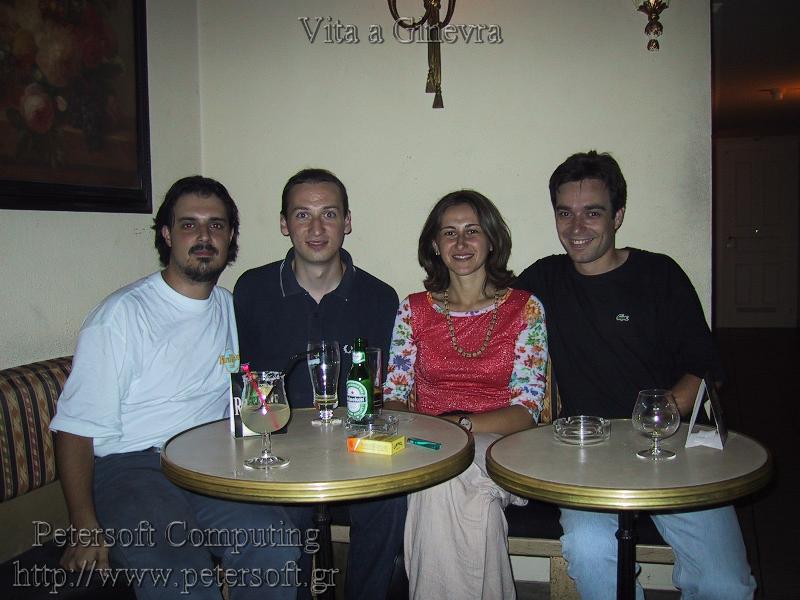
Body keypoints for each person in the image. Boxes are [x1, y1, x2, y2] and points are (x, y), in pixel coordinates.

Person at [515, 151, 756, 600]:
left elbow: (704, 369)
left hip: (670, 447)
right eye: (565, 213)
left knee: (726, 584)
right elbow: (486, 310)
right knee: (589, 551)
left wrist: (653, 421)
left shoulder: (659, 274)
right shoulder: (544, 279)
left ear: (618, 216)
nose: (576, 226)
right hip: (584, 452)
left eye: (593, 212)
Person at [50, 176, 300, 600]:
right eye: (189, 225)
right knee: (179, 572)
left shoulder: (228, 306)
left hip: (208, 463)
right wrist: (84, 524)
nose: (204, 236)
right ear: (166, 234)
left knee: (275, 544)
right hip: (131, 467)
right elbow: (73, 429)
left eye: (216, 225)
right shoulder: (122, 316)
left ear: (230, 236)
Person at [233, 168, 406, 600]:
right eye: (302, 215)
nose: (316, 228)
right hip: (280, 452)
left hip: (356, 451)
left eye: (328, 214)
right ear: (283, 223)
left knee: (390, 502)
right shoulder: (251, 290)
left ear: (347, 221)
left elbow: (386, 391)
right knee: (282, 520)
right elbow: (241, 380)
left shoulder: (380, 298)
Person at [383, 190, 548, 600]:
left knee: (437, 482)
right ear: (434, 245)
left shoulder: (525, 308)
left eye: (472, 231)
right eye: (449, 232)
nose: (461, 242)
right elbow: (395, 396)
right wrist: (434, 434)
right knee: (474, 505)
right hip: (428, 442)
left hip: (503, 445)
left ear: (491, 240)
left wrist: (459, 427)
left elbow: (527, 409)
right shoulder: (413, 310)